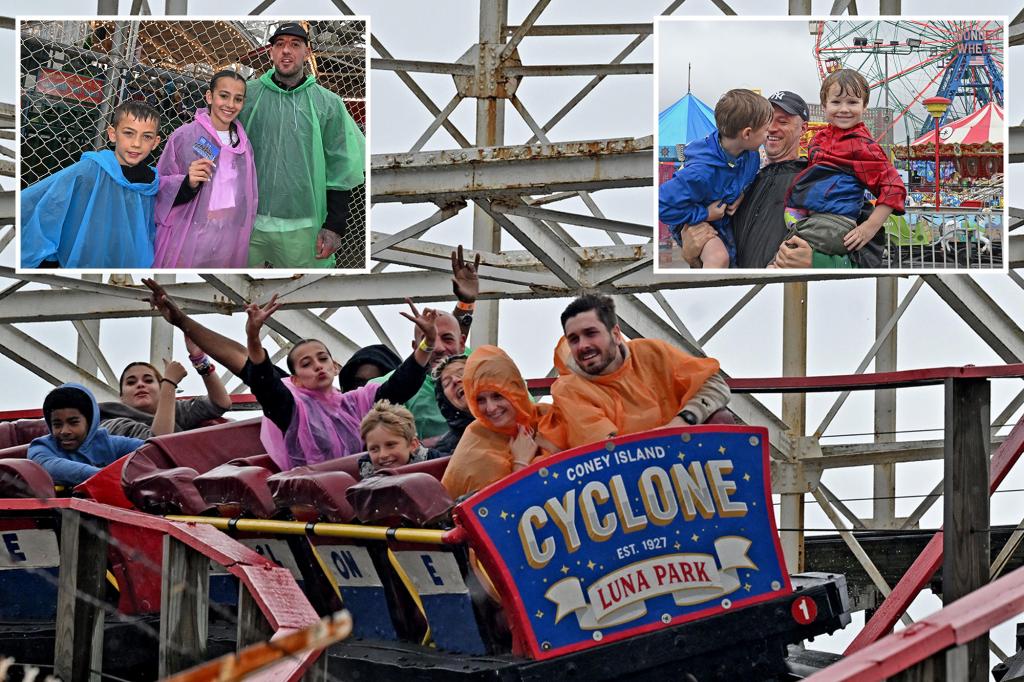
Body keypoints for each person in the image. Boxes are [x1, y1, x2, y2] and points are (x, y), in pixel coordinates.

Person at [682, 90, 883, 268]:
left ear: (803, 129)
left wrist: (818, 262)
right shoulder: (741, 181)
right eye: (767, 120)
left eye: (783, 121)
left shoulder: (825, 177)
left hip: (792, 301)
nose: (771, 128)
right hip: (741, 297)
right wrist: (692, 254)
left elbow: (870, 257)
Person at [239, 22, 366, 268]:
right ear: (271, 52)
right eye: (279, 44)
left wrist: (334, 225)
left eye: (295, 45)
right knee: (245, 292)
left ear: (306, 52)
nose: (286, 51)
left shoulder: (328, 103)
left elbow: (342, 167)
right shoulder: (247, 96)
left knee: (299, 293)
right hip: (248, 220)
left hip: (303, 223)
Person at [552, 294, 731, 449]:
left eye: (591, 333)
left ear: (615, 334)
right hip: (627, 475)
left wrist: (682, 422)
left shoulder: (650, 352)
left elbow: (714, 384)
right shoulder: (568, 389)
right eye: (574, 339)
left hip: (685, 452)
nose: (583, 345)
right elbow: (606, 448)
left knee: (720, 418)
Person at [781, 69, 906, 262]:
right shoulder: (820, 139)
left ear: (865, 106)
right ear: (825, 106)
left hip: (835, 224)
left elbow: (894, 187)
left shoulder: (863, 145)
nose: (844, 109)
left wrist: (869, 227)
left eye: (852, 102)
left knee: (786, 255)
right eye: (836, 102)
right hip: (814, 218)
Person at [21, 101, 161, 268]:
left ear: (156, 142)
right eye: (129, 133)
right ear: (112, 134)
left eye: (146, 136)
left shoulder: (153, 181)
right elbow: (40, 202)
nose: (136, 143)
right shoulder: (89, 170)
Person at [368, 246, 481, 440]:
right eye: (427, 340)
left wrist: (465, 304)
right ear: (414, 348)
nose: (437, 347)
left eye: (446, 339)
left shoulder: (482, 368)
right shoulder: (386, 386)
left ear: (462, 344)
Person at [153, 70, 258, 268]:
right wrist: (186, 183)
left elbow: (246, 193)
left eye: (238, 99)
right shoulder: (184, 136)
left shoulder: (243, 145)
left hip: (227, 234)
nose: (229, 105)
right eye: (223, 96)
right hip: (188, 232)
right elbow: (161, 183)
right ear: (209, 96)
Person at [659, 89, 773, 268]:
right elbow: (663, 204)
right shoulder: (701, 171)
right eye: (766, 130)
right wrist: (705, 213)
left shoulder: (750, 156)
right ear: (747, 134)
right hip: (694, 219)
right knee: (719, 258)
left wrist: (741, 193)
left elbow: (748, 179)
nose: (768, 134)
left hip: (721, 218)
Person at [441, 346, 562, 499]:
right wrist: (521, 463)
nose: (490, 408)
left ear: (515, 390)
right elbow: (504, 513)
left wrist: (550, 446)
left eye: (497, 396)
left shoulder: (549, 416)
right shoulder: (474, 449)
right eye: (480, 400)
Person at [99, 337, 232, 440]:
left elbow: (220, 403)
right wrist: (169, 382)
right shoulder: (109, 423)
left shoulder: (177, 411)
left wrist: (200, 360)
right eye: (131, 382)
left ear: (160, 389)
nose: (140, 384)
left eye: (148, 380)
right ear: (121, 397)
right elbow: (156, 445)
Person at [29, 384, 145, 487]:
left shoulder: (110, 443)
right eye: (57, 424)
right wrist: (110, 477)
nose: (64, 431)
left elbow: (152, 450)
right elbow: (51, 467)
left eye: (73, 422)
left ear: (90, 422)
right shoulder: (40, 447)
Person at [356, 400, 435, 478]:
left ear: (413, 445)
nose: (383, 455)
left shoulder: (437, 464)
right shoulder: (367, 475)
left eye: (390, 445)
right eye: (374, 449)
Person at [429, 354, 474, 458]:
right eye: (447, 383)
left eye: (461, 373)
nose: (455, 380)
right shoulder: (444, 450)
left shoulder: (513, 416)